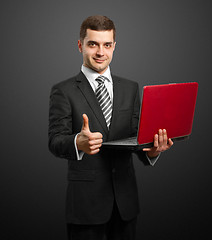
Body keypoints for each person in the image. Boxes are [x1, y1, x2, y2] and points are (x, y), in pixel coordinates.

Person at [48, 15, 173, 240]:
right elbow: (55, 141)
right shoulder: (63, 90)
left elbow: (136, 140)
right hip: (86, 205)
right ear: (80, 45)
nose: (100, 52)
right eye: (93, 44)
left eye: (107, 45)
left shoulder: (130, 88)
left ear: (114, 46)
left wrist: (153, 151)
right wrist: (78, 142)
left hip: (125, 203)